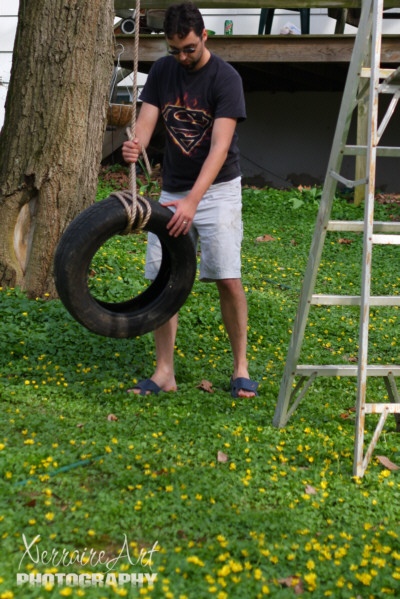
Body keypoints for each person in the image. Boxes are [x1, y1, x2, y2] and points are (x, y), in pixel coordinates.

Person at [122, 1, 259, 399]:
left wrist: (193, 202)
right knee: (165, 281)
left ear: (204, 38)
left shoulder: (225, 79)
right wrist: (136, 146)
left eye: (190, 49)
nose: (182, 57)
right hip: (173, 190)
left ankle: (240, 369)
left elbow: (219, 148)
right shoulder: (164, 71)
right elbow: (147, 121)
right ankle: (164, 372)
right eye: (175, 50)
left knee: (227, 279)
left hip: (216, 192)